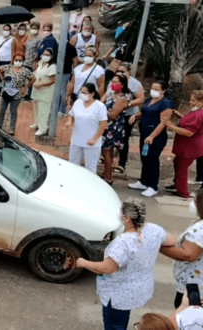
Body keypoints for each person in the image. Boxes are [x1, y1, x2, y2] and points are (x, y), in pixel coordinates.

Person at [76, 198, 175, 330]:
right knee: (122, 317)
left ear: (127, 218)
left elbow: (107, 268)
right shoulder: (153, 229)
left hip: (119, 294)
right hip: (140, 287)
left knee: (114, 325)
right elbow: (171, 241)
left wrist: (83, 262)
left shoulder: (122, 242)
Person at [127, 80, 173, 198]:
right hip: (144, 135)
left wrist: (152, 136)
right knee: (144, 157)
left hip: (155, 137)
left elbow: (163, 122)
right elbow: (144, 113)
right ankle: (143, 181)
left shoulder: (165, 104)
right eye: (153, 88)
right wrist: (135, 116)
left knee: (152, 160)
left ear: (163, 91)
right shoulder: (149, 101)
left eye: (157, 89)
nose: (153, 91)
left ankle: (153, 186)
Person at [160, 190, 203, 309]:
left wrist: (157, 245)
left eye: (195, 201)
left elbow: (188, 254)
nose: (192, 204)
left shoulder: (200, 229)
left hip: (194, 288)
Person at [101, 63, 145, 174]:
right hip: (110, 116)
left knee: (122, 140)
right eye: (118, 71)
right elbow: (106, 94)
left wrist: (126, 104)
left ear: (129, 72)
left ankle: (122, 163)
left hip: (126, 115)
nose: (120, 73)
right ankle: (107, 161)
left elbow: (141, 99)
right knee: (107, 140)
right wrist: (99, 105)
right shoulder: (114, 82)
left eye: (123, 71)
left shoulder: (135, 84)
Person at [162, 90, 203, 201]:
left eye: (193, 100)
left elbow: (189, 132)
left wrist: (170, 125)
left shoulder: (199, 114)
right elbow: (188, 123)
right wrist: (180, 116)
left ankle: (183, 192)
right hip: (186, 146)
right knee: (178, 164)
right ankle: (178, 185)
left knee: (182, 168)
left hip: (190, 147)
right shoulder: (196, 112)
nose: (190, 102)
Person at [66, 83, 108, 173]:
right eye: (81, 92)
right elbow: (71, 114)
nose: (82, 94)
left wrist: (94, 139)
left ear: (92, 93)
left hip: (92, 143)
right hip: (77, 140)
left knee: (90, 167)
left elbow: (103, 124)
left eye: (85, 92)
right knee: (72, 164)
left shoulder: (100, 106)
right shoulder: (78, 103)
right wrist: (69, 122)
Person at [100, 74, 131, 186]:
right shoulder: (112, 95)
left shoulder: (122, 98)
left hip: (113, 127)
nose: (112, 84)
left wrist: (101, 108)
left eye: (115, 82)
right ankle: (105, 172)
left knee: (106, 151)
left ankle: (109, 176)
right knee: (106, 151)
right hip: (107, 126)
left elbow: (113, 114)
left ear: (122, 85)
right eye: (112, 81)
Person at [0, 53, 35, 136]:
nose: (17, 62)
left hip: (17, 94)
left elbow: (33, 78)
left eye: (20, 60)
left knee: (13, 111)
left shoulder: (25, 71)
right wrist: (2, 78)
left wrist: (26, 87)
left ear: (23, 61)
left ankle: (12, 128)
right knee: (2, 110)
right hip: (6, 92)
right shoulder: (8, 67)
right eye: (16, 60)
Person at [31, 47, 56, 136]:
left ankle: (43, 128)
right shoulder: (40, 63)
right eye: (44, 54)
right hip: (36, 89)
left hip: (45, 91)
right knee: (36, 107)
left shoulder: (52, 67)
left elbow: (53, 80)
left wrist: (41, 84)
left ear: (51, 56)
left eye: (47, 55)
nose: (45, 56)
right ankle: (37, 123)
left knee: (43, 110)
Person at [57, 41, 79, 117]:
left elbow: (75, 60)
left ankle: (62, 110)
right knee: (56, 91)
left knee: (63, 91)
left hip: (66, 72)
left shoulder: (71, 48)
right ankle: (56, 108)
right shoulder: (57, 46)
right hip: (56, 72)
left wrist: (75, 72)